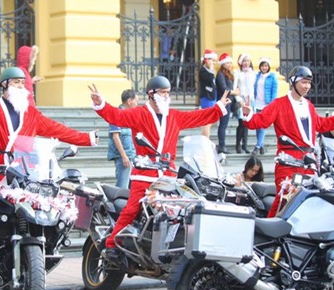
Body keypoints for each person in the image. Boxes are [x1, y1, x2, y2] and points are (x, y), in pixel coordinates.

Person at [88, 76, 229, 262]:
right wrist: (101, 104)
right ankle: (112, 244)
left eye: (168, 92)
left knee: (180, 209)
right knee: (132, 209)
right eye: (163, 92)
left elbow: (197, 117)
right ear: (152, 94)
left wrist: (218, 107)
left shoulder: (174, 116)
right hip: (144, 173)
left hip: (168, 176)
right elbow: (117, 116)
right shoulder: (139, 113)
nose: (167, 96)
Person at [0, 67, 98, 183]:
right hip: (0, 168)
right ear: (5, 84)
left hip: (28, 170)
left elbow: (58, 130)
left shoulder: (31, 113)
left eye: (23, 83)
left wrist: (87, 138)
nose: (21, 86)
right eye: (17, 82)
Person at [242, 66, 334, 217]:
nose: (307, 86)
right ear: (293, 82)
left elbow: (322, 124)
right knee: (284, 201)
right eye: (304, 82)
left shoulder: (308, 105)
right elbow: (260, 121)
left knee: (309, 203)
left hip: (309, 163)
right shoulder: (279, 104)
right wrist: (248, 115)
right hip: (288, 162)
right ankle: (267, 228)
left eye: (309, 83)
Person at [107, 89, 139, 189]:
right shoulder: (117, 115)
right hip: (123, 156)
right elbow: (115, 136)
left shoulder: (130, 115)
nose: (137, 104)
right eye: (136, 101)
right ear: (129, 101)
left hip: (131, 155)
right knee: (122, 186)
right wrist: (124, 156)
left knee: (130, 186)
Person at [252, 57, 278, 155]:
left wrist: (271, 105)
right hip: (256, 104)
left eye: (266, 66)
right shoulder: (257, 76)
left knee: (262, 126)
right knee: (257, 126)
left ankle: (257, 146)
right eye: (263, 66)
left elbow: (274, 92)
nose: (264, 67)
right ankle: (261, 145)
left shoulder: (273, 77)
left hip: (266, 105)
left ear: (269, 67)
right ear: (260, 67)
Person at [215, 53, 239, 154]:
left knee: (224, 125)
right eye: (227, 63)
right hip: (224, 103)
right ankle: (221, 146)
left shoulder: (229, 74)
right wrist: (234, 92)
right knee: (223, 125)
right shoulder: (220, 74)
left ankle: (222, 145)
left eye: (230, 63)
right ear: (223, 64)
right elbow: (224, 89)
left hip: (229, 102)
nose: (229, 65)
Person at [234, 54, 255, 154]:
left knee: (247, 123)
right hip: (241, 100)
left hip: (250, 101)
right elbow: (235, 88)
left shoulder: (253, 73)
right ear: (241, 62)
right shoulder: (237, 73)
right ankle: (238, 144)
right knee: (241, 124)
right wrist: (238, 100)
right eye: (244, 61)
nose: (246, 63)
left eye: (248, 61)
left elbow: (253, 87)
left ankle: (245, 145)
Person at [198, 49, 218, 137]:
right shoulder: (203, 70)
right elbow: (210, 78)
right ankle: (205, 139)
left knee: (209, 121)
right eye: (212, 61)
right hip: (207, 98)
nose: (214, 63)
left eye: (215, 61)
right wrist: (211, 68)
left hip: (212, 97)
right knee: (207, 121)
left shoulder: (209, 71)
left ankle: (205, 138)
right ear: (207, 60)